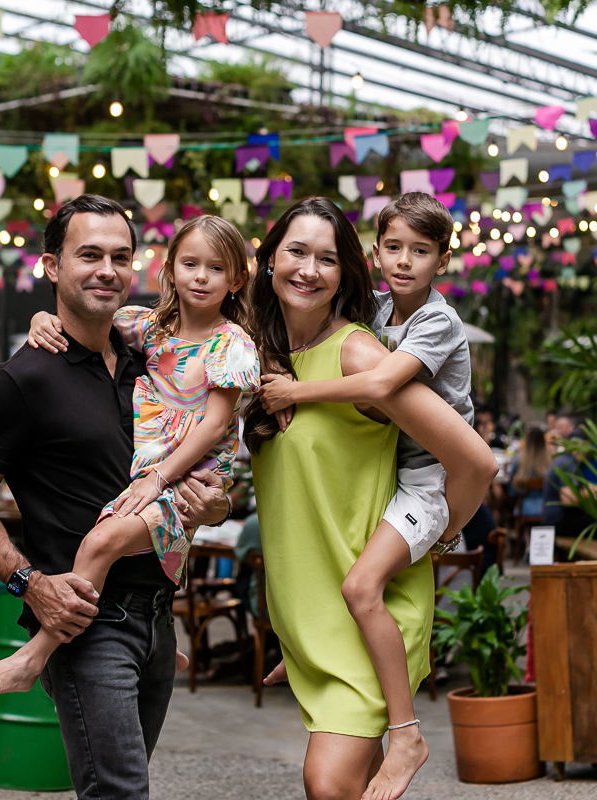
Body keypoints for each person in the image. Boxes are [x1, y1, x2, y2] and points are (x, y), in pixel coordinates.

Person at [0, 195, 232, 800]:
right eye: (89, 255)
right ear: (52, 266)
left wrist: (216, 506)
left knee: (122, 788)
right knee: (120, 792)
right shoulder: (21, 380)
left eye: (120, 257)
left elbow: (198, 470)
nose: (107, 270)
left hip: (159, 618)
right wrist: (28, 583)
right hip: (87, 624)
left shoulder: (150, 358)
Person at [243, 197, 496, 800]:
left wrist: (441, 536)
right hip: (316, 620)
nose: (309, 269)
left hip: (369, 603)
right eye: (296, 251)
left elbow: (476, 462)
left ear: (346, 271)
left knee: (328, 785)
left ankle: (409, 735)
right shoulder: (260, 352)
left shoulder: (360, 351)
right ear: (270, 259)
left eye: (328, 258)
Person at [0, 214, 260, 695]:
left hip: (185, 474)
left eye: (217, 268)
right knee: (118, 546)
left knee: (100, 544)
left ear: (236, 279)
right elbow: (82, 320)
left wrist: (158, 479)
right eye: (190, 264)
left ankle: (34, 656)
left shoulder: (232, 344)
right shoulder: (151, 328)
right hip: (151, 472)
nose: (201, 277)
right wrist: (40, 319)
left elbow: (213, 425)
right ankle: (158, 638)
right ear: (170, 269)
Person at [508, 426, 552, 519]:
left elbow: (512, 491)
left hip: (525, 506)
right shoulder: (550, 460)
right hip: (547, 506)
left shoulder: (519, 460)